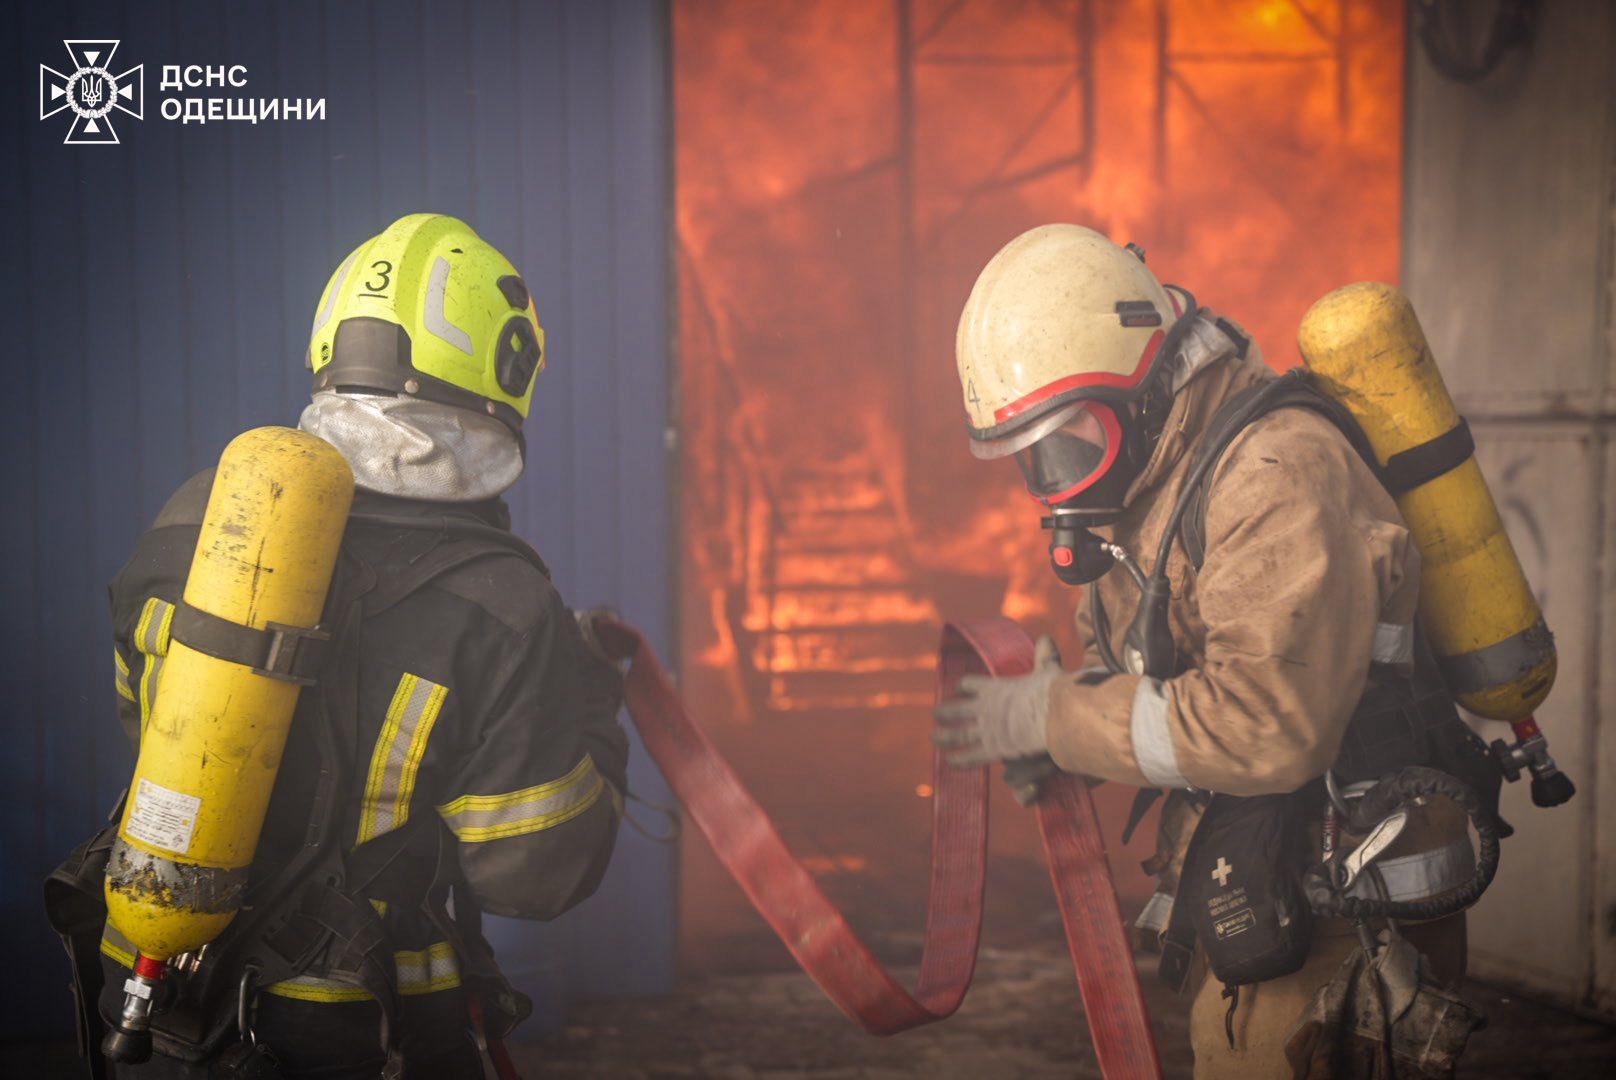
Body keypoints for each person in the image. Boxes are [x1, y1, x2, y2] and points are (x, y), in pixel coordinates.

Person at [933, 224, 1497, 1077]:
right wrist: (1066, 737)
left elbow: (1266, 724)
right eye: (1033, 459)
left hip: (1346, 922)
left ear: (1141, 389)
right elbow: (1157, 681)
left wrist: (1057, 719)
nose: (1055, 482)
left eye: (1070, 441)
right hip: (1265, 897)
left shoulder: (1274, 475)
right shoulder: (1160, 484)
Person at [90, 213, 628, 1077]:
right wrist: (590, 705)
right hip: (357, 1027)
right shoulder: (499, 606)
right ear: (508, 366)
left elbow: (148, 718)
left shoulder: (196, 524)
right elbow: (536, 876)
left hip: (154, 992)